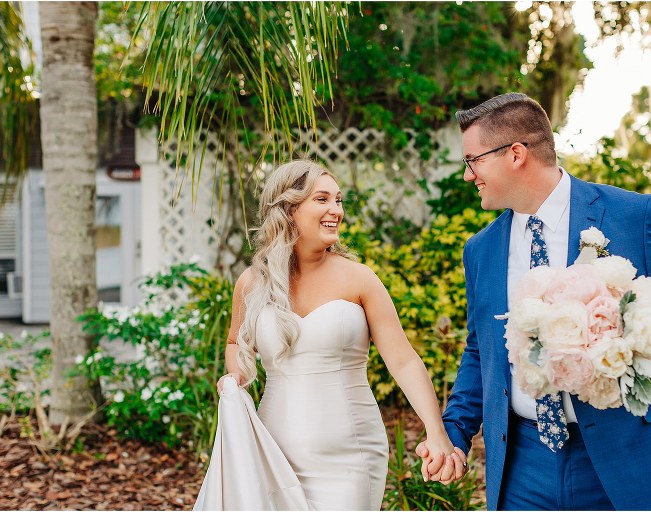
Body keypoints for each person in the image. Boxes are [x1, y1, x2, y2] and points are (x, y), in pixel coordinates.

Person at [416, 92, 651, 510]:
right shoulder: (481, 249)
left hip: (630, 450)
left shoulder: (634, 216)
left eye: (474, 160)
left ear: (516, 154)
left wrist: (625, 353)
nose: (469, 175)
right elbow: (480, 348)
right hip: (524, 464)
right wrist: (455, 432)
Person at [198, 159, 463, 510]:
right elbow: (235, 342)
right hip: (272, 450)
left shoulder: (359, 278)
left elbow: (403, 361)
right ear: (289, 209)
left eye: (338, 201)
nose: (335, 210)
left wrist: (436, 431)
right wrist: (236, 375)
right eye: (322, 199)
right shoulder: (251, 283)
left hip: (350, 456)